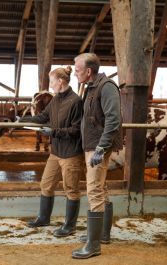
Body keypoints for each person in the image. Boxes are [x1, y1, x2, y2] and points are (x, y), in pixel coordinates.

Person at [20, 66, 85, 238]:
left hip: (71, 153)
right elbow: (43, 117)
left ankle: (69, 226)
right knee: (46, 185)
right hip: (56, 152)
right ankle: (43, 218)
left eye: (52, 82)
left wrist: (54, 132)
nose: (50, 85)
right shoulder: (55, 100)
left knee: (71, 189)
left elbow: (77, 130)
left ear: (61, 81)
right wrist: (22, 120)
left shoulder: (76, 101)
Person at [71, 53, 123, 259]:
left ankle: (93, 245)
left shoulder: (107, 86)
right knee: (100, 187)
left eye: (77, 69)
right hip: (92, 144)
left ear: (88, 71)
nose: (75, 73)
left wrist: (101, 148)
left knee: (93, 189)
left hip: (98, 146)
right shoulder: (92, 86)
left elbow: (113, 119)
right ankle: (102, 234)